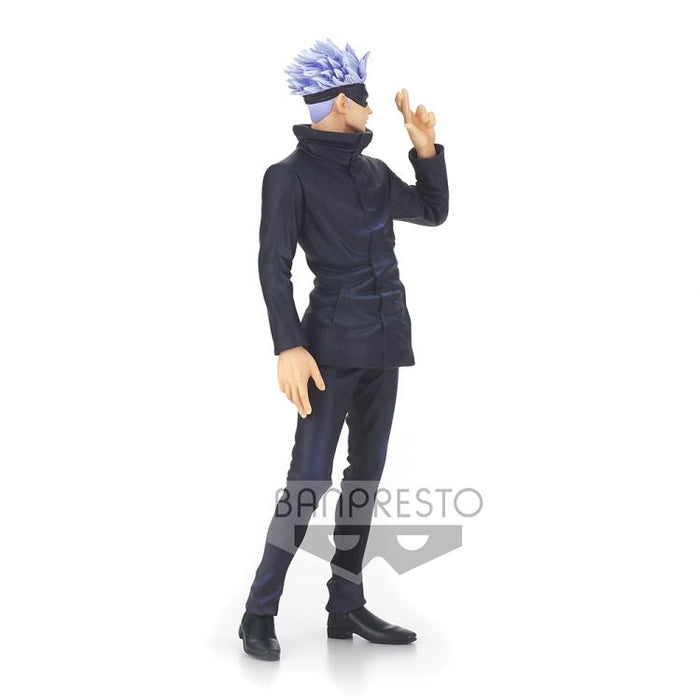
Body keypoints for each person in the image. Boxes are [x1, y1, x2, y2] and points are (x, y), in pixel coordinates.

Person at [239, 38, 449, 661]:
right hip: (327, 349)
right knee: (308, 480)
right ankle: (258, 612)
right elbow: (273, 266)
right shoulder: (288, 176)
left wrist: (426, 148)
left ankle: (345, 604)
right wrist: (288, 345)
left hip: (387, 344)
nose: (372, 109)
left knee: (365, 478)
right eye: (364, 100)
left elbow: (433, 211)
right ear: (340, 103)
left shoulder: (374, 171)